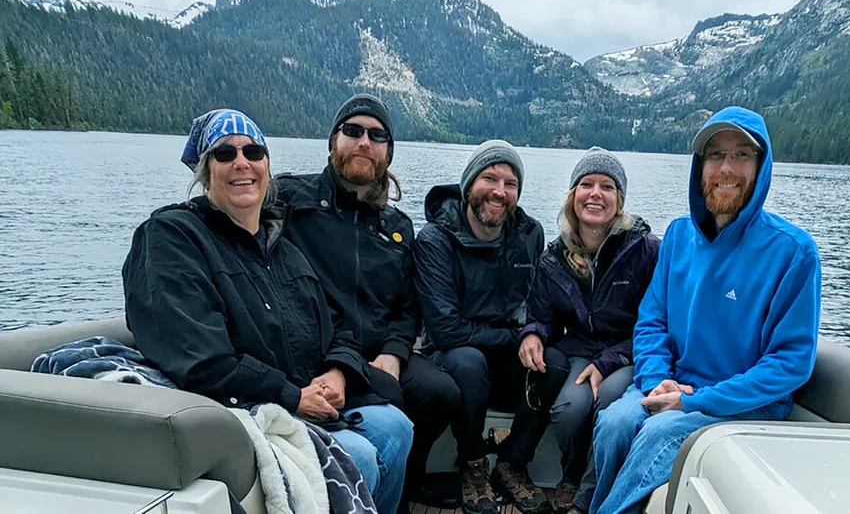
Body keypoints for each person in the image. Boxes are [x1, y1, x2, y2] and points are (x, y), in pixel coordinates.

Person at [121, 109, 412, 514]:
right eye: (225, 154)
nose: (242, 163)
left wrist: (337, 372)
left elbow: (335, 325)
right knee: (359, 454)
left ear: (267, 168)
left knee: (397, 426)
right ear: (205, 172)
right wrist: (292, 396)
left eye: (254, 151)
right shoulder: (171, 237)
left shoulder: (282, 248)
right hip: (235, 407)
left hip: (299, 394)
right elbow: (201, 359)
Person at [590, 106, 822, 514]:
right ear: (700, 166)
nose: (726, 168)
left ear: (761, 166)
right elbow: (652, 321)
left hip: (743, 405)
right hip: (672, 382)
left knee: (657, 434)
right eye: (715, 155)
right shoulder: (679, 236)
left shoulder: (793, 252)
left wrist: (694, 402)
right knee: (613, 424)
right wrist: (658, 379)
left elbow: (790, 364)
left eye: (741, 155)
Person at [277, 93, 459, 512]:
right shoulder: (290, 201)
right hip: (314, 352)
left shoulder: (397, 227)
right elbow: (233, 201)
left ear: (387, 153)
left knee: (443, 392)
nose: (364, 142)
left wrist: (395, 353)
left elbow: (408, 306)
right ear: (332, 142)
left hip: (376, 351)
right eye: (353, 131)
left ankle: (405, 486)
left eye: (377, 136)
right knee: (389, 403)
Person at [414, 140, 564, 514]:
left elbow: (537, 301)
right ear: (469, 185)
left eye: (510, 183)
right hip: (453, 356)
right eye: (489, 178)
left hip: (504, 354)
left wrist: (533, 334)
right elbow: (445, 330)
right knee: (468, 362)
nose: (499, 191)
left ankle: (512, 464)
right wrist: (517, 336)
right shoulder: (435, 239)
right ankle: (473, 464)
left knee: (556, 363)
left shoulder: (529, 234)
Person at [517, 147, 660, 514]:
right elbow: (539, 311)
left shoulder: (644, 250)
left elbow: (657, 320)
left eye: (607, 186)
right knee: (567, 410)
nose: (596, 193)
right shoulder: (554, 256)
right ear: (573, 195)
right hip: (580, 349)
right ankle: (571, 471)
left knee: (608, 398)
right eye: (586, 184)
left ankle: (584, 488)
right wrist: (532, 333)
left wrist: (610, 360)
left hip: (628, 351)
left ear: (619, 199)